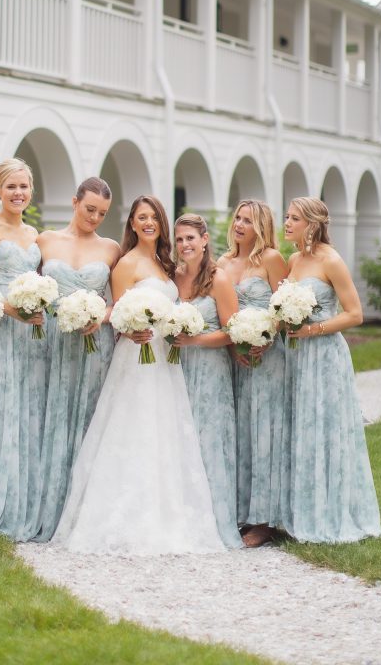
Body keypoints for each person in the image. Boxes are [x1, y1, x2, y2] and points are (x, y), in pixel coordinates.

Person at [50, 196, 226, 555]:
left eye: (154, 218)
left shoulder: (166, 263)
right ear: (131, 223)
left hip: (166, 358)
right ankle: (123, 517)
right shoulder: (126, 263)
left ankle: (167, 514)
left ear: (161, 223)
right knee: (134, 428)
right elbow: (117, 308)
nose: (148, 223)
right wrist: (124, 328)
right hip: (137, 357)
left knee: (166, 432)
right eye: (141, 217)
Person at [279, 197, 381, 543]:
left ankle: (333, 514)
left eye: (294, 218)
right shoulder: (293, 259)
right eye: (286, 216)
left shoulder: (331, 260)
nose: (287, 222)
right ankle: (304, 511)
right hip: (296, 356)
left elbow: (354, 314)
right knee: (302, 428)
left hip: (325, 356)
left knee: (325, 428)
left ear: (312, 224)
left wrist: (313, 329)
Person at [32, 177, 121, 542]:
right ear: (74, 202)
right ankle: (45, 505)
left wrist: (97, 317)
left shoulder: (112, 248)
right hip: (52, 341)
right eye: (89, 210)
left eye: (102, 213)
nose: (95, 218)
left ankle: (85, 510)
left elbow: (118, 301)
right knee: (48, 416)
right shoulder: (44, 241)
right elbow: (30, 288)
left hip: (93, 343)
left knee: (88, 419)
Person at [0, 157, 45, 539]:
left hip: (31, 337)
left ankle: (23, 500)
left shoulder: (35, 235)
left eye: (24, 187)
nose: (18, 193)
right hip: (1, 330)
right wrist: (14, 310)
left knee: (26, 410)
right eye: (11, 187)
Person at [217, 200, 288, 547]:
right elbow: (219, 311)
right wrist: (233, 346)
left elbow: (283, 306)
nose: (240, 225)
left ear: (261, 226)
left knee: (263, 430)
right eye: (237, 219)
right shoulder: (222, 262)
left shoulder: (272, 259)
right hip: (234, 358)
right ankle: (240, 510)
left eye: (248, 220)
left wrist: (266, 336)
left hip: (267, 357)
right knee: (239, 430)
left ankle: (264, 519)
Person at [172, 213, 242, 548]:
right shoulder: (173, 276)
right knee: (181, 440)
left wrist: (195, 340)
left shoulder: (218, 279)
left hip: (210, 371)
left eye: (190, 238)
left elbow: (232, 332)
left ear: (204, 240)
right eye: (179, 239)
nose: (184, 245)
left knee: (208, 441)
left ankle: (214, 520)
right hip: (177, 369)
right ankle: (181, 516)